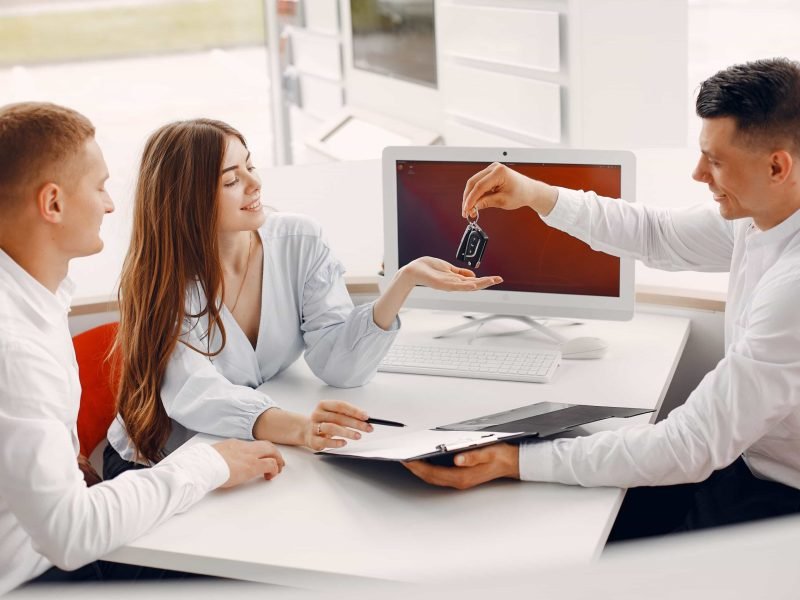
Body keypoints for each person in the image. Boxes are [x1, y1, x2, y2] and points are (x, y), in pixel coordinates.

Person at [405, 57, 800, 539]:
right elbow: (658, 235)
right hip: (745, 461)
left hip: (781, 498)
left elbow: (692, 444)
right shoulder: (763, 215)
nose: (699, 174)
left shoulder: (792, 289)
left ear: (778, 166)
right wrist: (534, 193)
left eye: (715, 161)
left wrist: (514, 459)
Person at [104, 118, 503, 475]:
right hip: (158, 463)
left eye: (251, 165)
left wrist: (402, 284)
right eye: (230, 180)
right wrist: (300, 428)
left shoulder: (299, 241)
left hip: (244, 451)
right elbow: (196, 393)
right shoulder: (164, 279)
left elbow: (339, 366)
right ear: (185, 200)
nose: (255, 183)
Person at [0, 102, 286, 593]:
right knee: (268, 568)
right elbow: (71, 534)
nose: (111, 205)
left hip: (48, 537)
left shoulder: (34, 295)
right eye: (100, 187)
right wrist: (210, 463)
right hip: (37, 576)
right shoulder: (15, 346)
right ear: (53, 204)